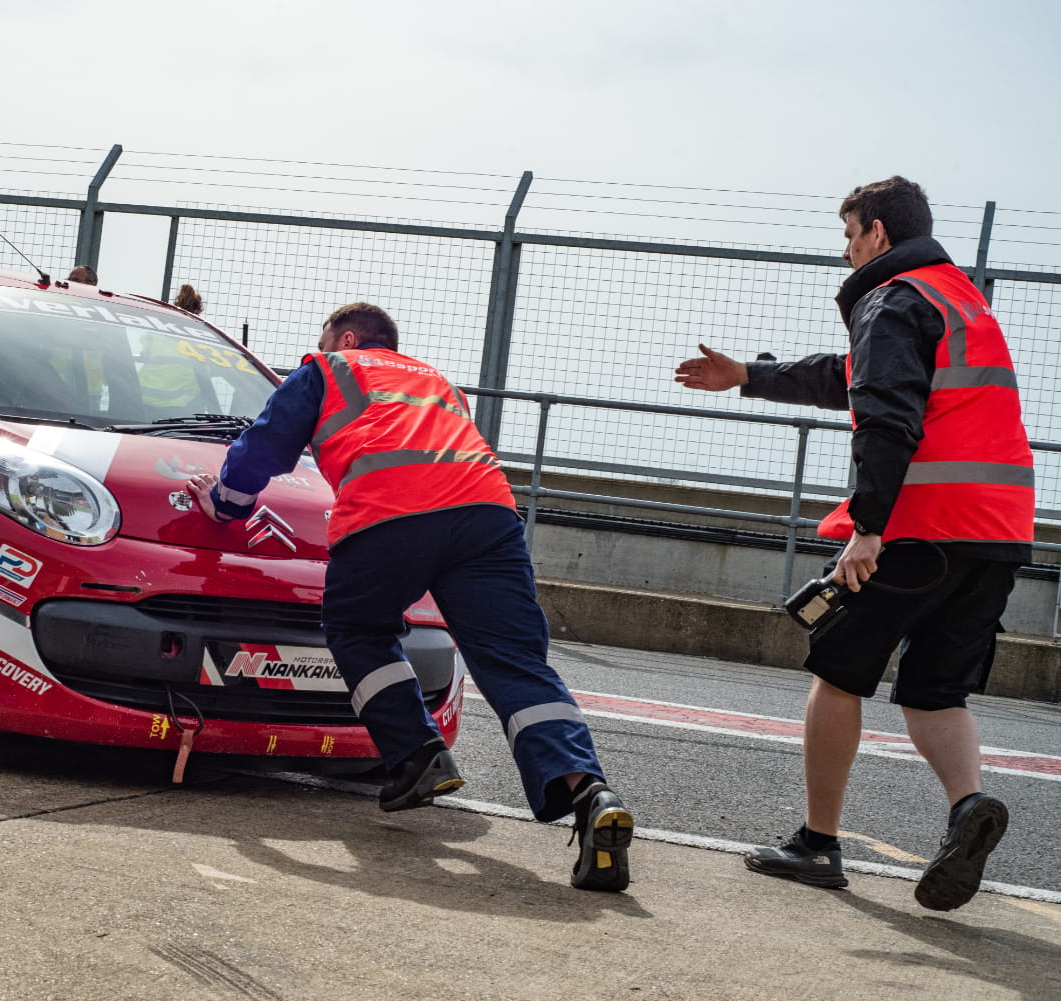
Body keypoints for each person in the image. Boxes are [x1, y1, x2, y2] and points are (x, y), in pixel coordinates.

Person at [186, 301, 636, 892]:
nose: (319, 346)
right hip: (487, 517)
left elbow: (263, 448)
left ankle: (418, 753)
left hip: (388, 514)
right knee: (516, 663)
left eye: (324, 337)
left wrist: (223, 504)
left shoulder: (327, 370)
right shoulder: (436, 381)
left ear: (345, 338)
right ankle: (590, 793)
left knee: (357, 629)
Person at [674, 176, 1031, 911]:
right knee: (936, 688)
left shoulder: (892, 296)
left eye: (848, 235)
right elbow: (854, 376)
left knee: (836, 668)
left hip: (920, 522)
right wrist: (749, 375)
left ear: (875, 232)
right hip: (997, 531)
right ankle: (969, 808)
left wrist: (869, 528)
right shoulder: (960, 300)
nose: (844, 253)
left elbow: (887, 412)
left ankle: (817, 843)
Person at [139, 284, 206, 411]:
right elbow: (206, 368)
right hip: (180, 405)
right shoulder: (200, 339)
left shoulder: (153, 334)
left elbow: (144, 354)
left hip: (145, 399)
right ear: (197, 311)